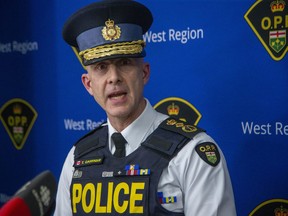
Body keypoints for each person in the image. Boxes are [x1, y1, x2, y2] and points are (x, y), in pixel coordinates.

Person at [54, 0, 237, 215]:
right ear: (88, 84)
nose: (114, 78)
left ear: (144, 73)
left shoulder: (192, 153)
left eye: (124, 63)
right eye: (101, 67)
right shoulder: (77, 159)